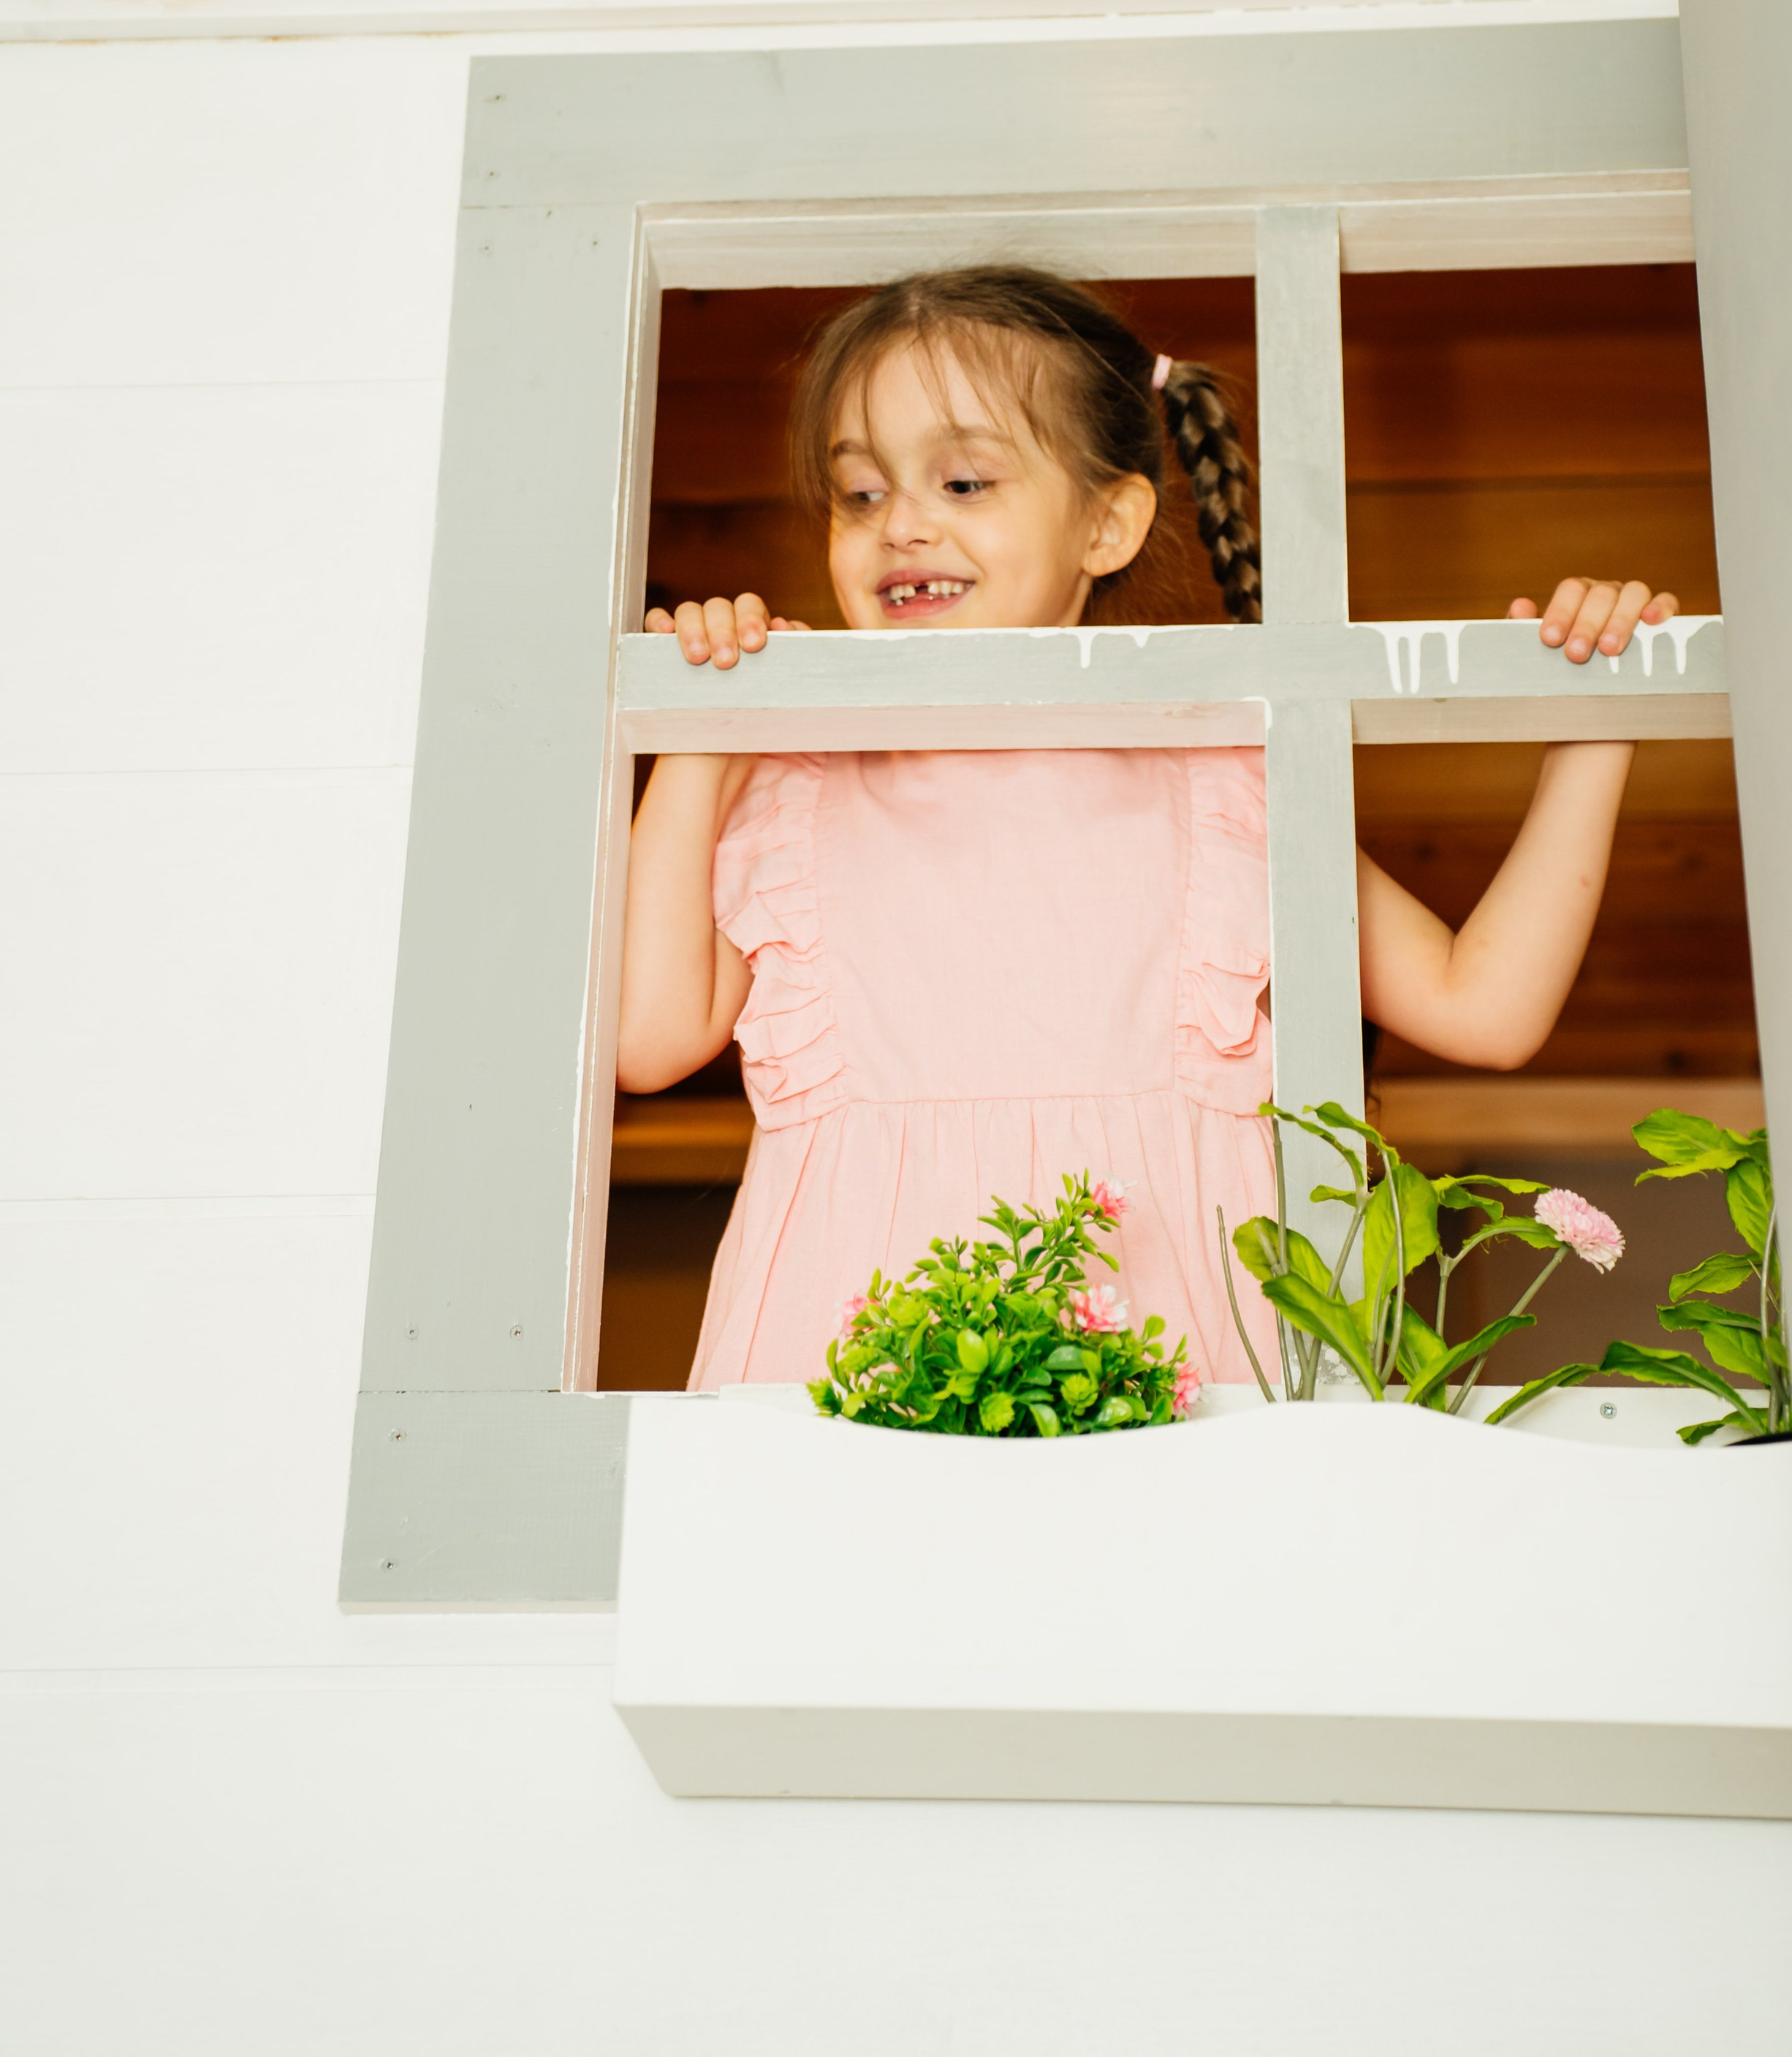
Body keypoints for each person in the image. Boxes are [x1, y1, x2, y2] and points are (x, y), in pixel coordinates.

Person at [616, 266, 1678, 1389]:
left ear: (1109, 522)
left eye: (964, 480)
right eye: (862, 495)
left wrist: (1596, 721)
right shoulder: (792, 783)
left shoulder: (1215, 778)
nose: (905, 525)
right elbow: (647, 1037)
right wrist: (704, 734)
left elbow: (1484, 1007)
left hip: (1164, 1366)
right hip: (843, 1372)